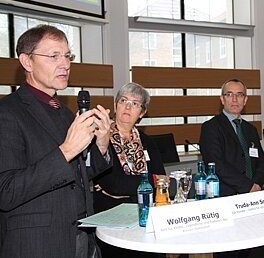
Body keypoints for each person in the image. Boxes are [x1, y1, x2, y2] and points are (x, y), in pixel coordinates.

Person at [0, 24, 112, 258]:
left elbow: (75, 176)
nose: (65, 64)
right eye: (54, 56)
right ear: (27, 62)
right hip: (38, 244)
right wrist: (67, 150)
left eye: (68, 56)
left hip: (81, 236)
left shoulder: (63, 112)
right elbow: (7, 191)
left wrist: (101, 145)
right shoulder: (7, 113)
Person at [93, 82, 167, 258]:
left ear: (142, 112)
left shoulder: (148, 141)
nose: (127, 106)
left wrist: (127, 188)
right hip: (111, 215)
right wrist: (145, 184)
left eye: (135, 103)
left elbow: (161, 180)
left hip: (146, 214)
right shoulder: (100, 138)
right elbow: (113, 184)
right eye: (123, 100)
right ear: (115, 105)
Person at [199, 78, 264, 257]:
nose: (235, 99)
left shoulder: (251, 129)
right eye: (230, 94)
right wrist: (247, 186)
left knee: (252, 247)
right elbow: (216, 164)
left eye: (239, 95)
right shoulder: (211, 127)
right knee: (229, 251)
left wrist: (257, 185)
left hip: (253, 197)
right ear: (222, 99)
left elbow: (262, 162)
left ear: (245, 100)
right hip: (226, 197)